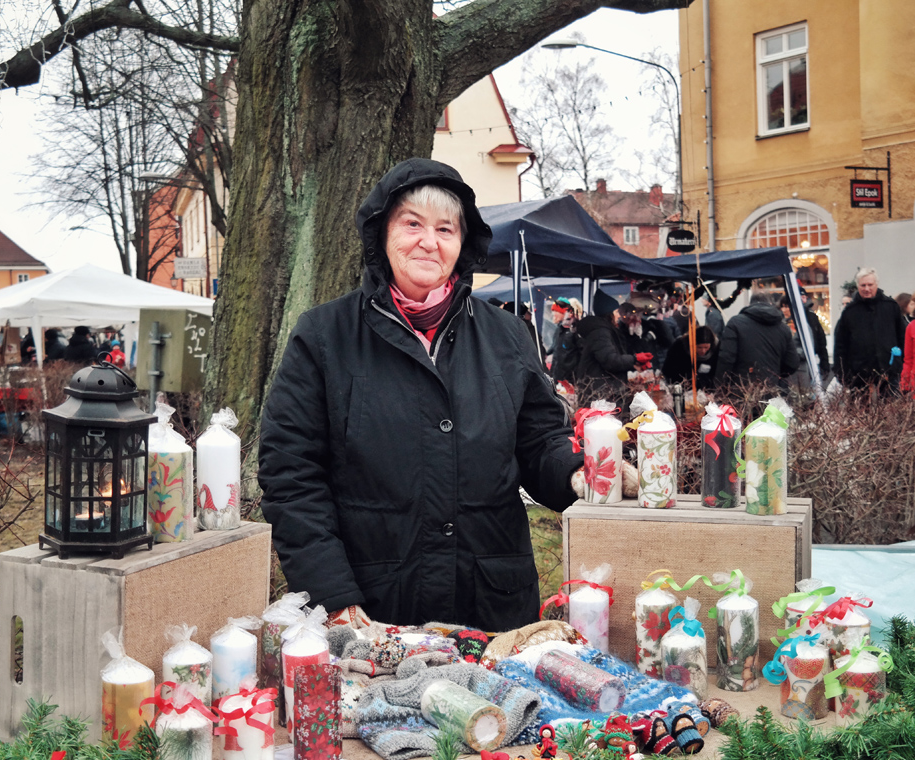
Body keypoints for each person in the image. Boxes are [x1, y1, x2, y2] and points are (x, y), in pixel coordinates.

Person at [257, 158, 583, 632]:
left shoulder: (506, 336)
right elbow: (291, 476)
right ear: (382, 234)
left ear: (462, 244)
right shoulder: (324, 336)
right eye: (412, 223)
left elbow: (538, 444)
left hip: (492, 608)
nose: (429, 242)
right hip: (373, 611)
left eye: (445, 229)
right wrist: (332, 596)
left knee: (496, 711)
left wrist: (578, 472)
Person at [833, 269, 907, 390]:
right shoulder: (850, 311)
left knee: (891, 407)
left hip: (889, 369)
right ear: (858, 286)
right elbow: (841, 344)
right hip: (858, 373)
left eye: (870, 285)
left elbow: (902, 337)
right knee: (860, 408)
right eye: (863, 285)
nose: (867, 289)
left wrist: (900, 364)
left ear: (876, 285)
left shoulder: (890, 306)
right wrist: (842, 373)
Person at [715, 292, 800, 390]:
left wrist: (719, 387)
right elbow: (792, 363)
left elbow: (726, 359)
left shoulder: (735, 323)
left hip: (741, 390)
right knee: (770, 405)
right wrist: (774, 373)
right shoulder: (783, 328)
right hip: (772, 389)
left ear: (750, 305)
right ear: (771, 304)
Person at [575, 291, 642, 409]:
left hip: (603, 391)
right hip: (601, 394)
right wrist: (635, 359)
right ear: (608, 313)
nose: (619, 315)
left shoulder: (604, 330)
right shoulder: (600, 332)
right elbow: (610, 360)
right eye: (616, 312)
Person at [661, 325, 720, 390]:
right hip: (681, 386)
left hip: (706, 389)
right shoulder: (679, 347)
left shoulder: (717, 349)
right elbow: (668, 370)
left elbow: (717, 373)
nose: (703, 351)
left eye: (706, 347)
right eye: (699, 347)